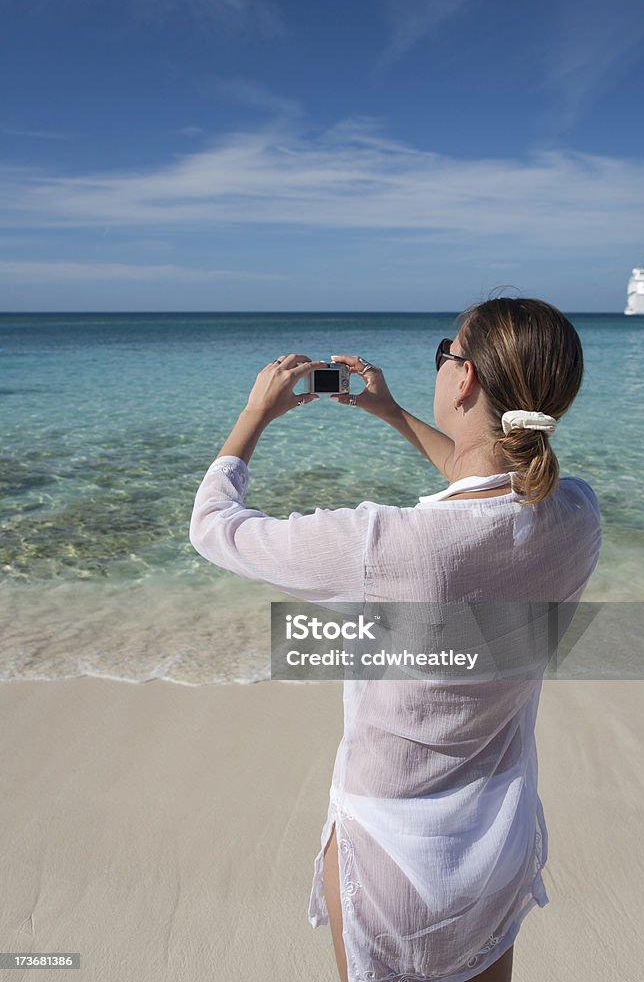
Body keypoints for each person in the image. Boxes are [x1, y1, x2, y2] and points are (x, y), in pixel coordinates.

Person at [188, 297, 602, 982]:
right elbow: (488, 487)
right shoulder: (575, 515)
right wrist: (389, 411)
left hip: (392, 845)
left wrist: (254, 414)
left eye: (447, 350)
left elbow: (213, 528)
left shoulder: (383, 544)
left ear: (463, 379)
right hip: (499, 830)